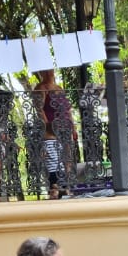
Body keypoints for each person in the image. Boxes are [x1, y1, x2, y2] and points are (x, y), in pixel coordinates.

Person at [34, 69, 76, 198]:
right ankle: (55, 188)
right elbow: (39, 109)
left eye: (50, 70)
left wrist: (73, 127)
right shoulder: (41, 88)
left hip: (65, 126)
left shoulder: (59, 88)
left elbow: (68, 109)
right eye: (45, 71)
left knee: (67, 158)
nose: (48, 73)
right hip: (51, 127)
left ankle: (66, 186)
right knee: (53, 156)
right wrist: (47, 125)